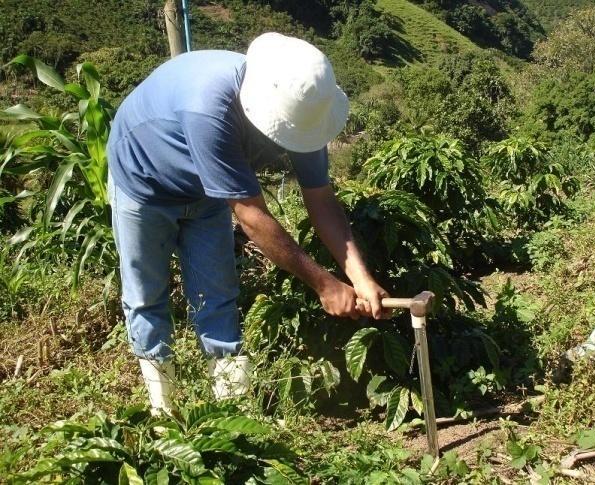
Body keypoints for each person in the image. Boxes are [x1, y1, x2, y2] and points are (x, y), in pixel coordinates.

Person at [107, 32, 389, 415]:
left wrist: (359, 277)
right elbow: (252, 217)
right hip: (144, 181)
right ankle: (164, 412)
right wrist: (324, 284)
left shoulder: (304, 112)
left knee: (217, 293)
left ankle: (233, 413)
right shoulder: (209, 107)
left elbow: (321, 200)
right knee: (146, 295)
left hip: (207, 194)